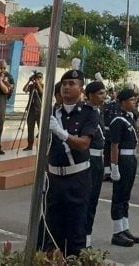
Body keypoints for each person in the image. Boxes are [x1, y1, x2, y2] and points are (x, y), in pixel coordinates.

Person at [40, 68, 99, 257]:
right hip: (54, 178)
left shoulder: (89, 113)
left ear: (80, 89)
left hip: (77, 178)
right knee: (52, 233)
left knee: (75, 234)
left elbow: (83, 144)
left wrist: (62, 133)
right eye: (64, 83)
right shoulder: (50, 112)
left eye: (71, 84)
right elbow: (44, 146)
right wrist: (43, 173)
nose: (66, 87)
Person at [109, 88, 139, 247]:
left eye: (135, 99)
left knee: (126, 195)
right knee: (119, 195)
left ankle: (125, 227)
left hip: (131, 159)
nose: (134, 102)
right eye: (131, 100)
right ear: (122, 103)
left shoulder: (130, 118)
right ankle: (117, 232)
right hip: (122, 159)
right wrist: (114, 167)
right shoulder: (118, 120)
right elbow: (114, 145)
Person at [84, 80, 106, 248]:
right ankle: (81, 238)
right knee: (86, 200)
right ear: (90, 95)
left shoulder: (98, 112)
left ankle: (87, 239)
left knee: (93, 202)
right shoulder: (86, 112)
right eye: (100, 93)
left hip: (98, 160)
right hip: (88, 160)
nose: (103, 96)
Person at [22, 71, 43, 151]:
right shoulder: (31, 86)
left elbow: (42, 92)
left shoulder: (43, 86)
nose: (38, 79)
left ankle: (41, 144)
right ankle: (29, 145)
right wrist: (29, 81)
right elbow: (24, 89)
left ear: (42, 79)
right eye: (37, 78)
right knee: (30, 128)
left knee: (41, 127)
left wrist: (38, 84)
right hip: (31, 110)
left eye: (39, 78)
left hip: (40, 110)